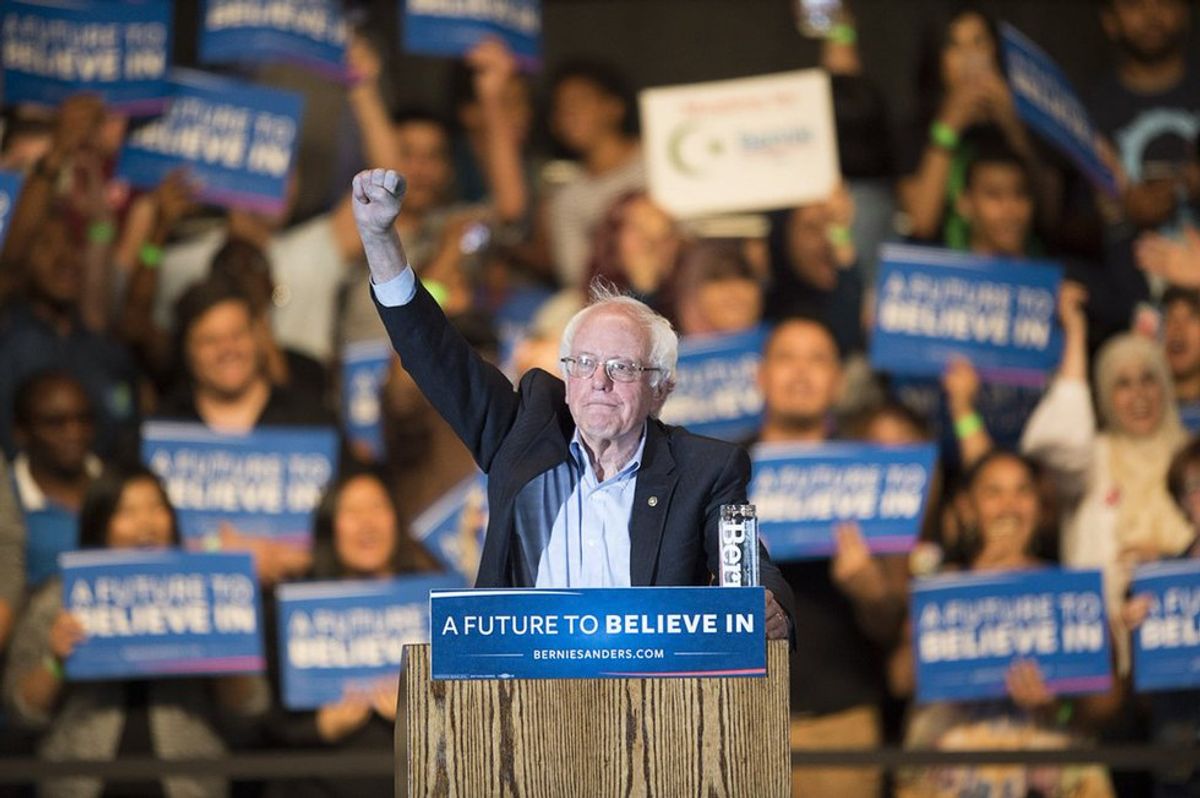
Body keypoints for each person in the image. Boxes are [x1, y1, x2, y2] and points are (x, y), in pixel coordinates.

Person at [350, 168, 793, 633]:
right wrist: (380, 240)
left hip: (652, 698)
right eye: (582, 363)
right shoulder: (522, 438)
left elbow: (749, 570)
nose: (598, 381)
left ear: (660, 388)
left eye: (621, 367)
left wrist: (770, 606)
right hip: (524, 698)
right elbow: (433, 354)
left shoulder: (704, 471)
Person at [2, 466, 269, 798]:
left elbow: (250, 713)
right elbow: (20, 714)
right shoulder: (58, 598)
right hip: (78, 785)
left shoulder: (208, 591)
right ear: (100, 524)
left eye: (156, 508)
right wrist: (56, 662)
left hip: (189, 785)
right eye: (127, 512)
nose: (146, 524)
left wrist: (222, 653)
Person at [895, 451, 1117, 798]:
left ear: (1040, 507)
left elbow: (1105, 706)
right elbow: (900, 680)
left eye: (1022, 491)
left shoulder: (1069, 590)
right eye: (993, 493)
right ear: (967, 507)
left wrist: (1057, 706)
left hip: (1048, 772)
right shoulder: (941, 588)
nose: (1008, 506)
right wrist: (975, 588)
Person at [752, 317, 906, 798]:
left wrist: (871, 592)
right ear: (761, 376)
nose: (801, 372)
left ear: (838, 381)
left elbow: (892, 622)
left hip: (841, 719)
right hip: (740, 711)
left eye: (817, 359)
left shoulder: (872, 476)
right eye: (787, 358)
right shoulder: (718, 470)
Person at [1021, 282, 1193, 657]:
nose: (1140, 396)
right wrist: (1076, 336)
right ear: (1102, 394)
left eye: (1149, 379)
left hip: (1185, 644)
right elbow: (1060, 441)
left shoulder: (1192, 456)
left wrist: (1168, 563)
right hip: (1105, 648)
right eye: (1122, 384)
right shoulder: (1091, 456)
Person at [263, 469, 438, 798]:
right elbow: (263, 723)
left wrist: (416, 714)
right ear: (331, 527)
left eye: (376, 508)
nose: (367, 524)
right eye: (352, 512)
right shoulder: (295, 612)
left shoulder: (435, 604)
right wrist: (319, 729)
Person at [899, 7, 1056, 247]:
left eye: (978, 42)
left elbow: (1049, 211)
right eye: (954, 46)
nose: (969, 58)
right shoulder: (915, 131)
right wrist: (948, 125)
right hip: (943, 272)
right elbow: (921, 221)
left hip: (1023, 270)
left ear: (995, 50)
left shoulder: (1029, 120)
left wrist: (1011, 120)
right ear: (937, 58)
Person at [545, 60, 646, 287]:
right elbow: (575, 275)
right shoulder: (567, 198)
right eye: (560, 108)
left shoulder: (659, 162)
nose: (568, 114)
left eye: (578, 102)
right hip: (615, 301)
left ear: (615, 107)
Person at [11, 371, 102, 588]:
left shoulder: (122, 487)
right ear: (21, 432)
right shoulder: (7, 499)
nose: (74, 433)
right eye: (55, 423)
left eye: (83, 419)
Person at [763, 185, 865, 357]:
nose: (827, 241)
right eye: (812, 228)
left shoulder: (853, 301)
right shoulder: (764, 310)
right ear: (784, 238)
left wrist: (841, 236)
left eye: (833, 228)